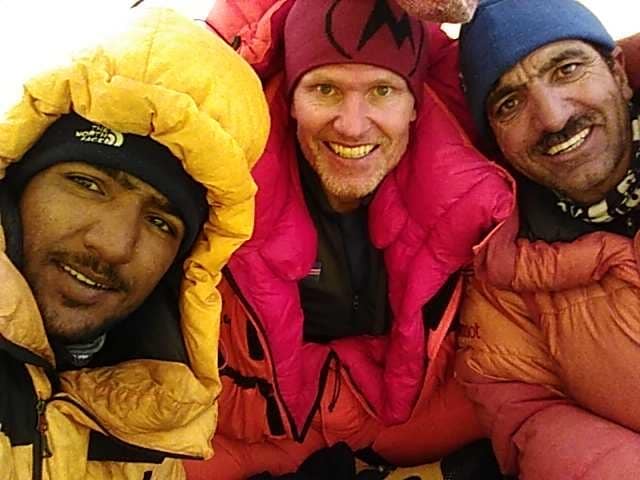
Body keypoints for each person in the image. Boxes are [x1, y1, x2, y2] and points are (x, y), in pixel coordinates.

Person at [185, 0, 513, 478]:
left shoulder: (478, 203)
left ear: (416, 104)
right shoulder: (216, 197)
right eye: (325, 89)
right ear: (290, 102)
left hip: (420, 429)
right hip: (256, 436)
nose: (353, 124)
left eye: (382, 90)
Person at [0, 8, 269, 479]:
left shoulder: (158, 410)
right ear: (18, 178)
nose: (113, 245)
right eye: (87, 183)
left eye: (162, 223)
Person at [456, 0, 640, 478]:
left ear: (616, 73)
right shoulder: (503, 280)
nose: (554, 118)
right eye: (510, 103)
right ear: (494, 138)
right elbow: (527, 417)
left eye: (567, 69)